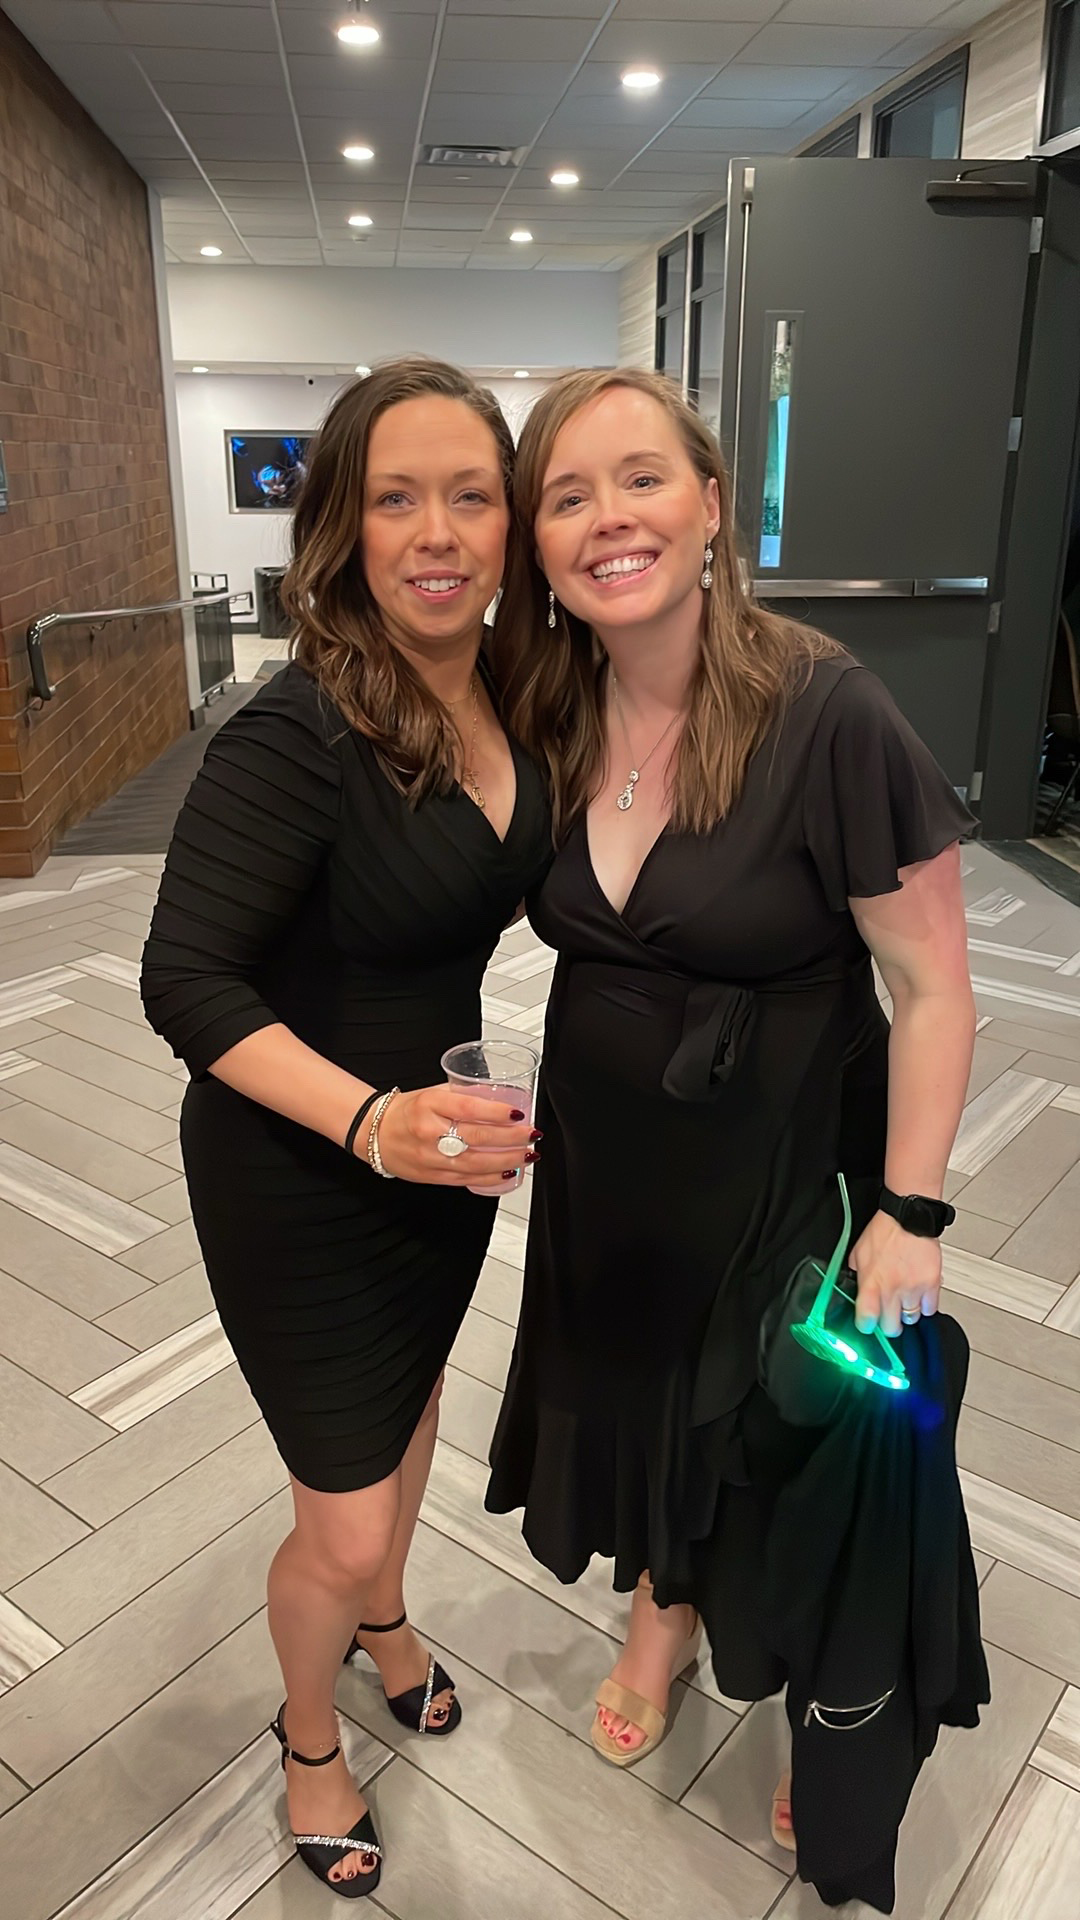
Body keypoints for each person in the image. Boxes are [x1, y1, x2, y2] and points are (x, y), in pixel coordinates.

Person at [485, 367, 980, 1897]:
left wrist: (911, 1211)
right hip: (609, 1165)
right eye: (568, 496)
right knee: (640, 1390)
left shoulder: (826, 709)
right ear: (536, 542)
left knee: (770, 1414)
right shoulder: (548, 702)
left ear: (712, 503)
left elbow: (935, 986)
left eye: (642, 479)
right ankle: (664, 1605)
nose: (608, 519)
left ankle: (803, 1675)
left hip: (782, 1156)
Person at [141, 358, 551, 1900]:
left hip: (441, 1151)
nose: (436, 532)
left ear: (510, 524)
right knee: (344, 1512)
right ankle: (310, 1738)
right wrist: (372, 1123)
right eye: (395, 499)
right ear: (343, 527)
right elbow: (183, 979)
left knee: (413, 1404)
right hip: (302, 1166)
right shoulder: (299, 731)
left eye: (470, 495)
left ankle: (386, 1620)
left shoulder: (512, 693)